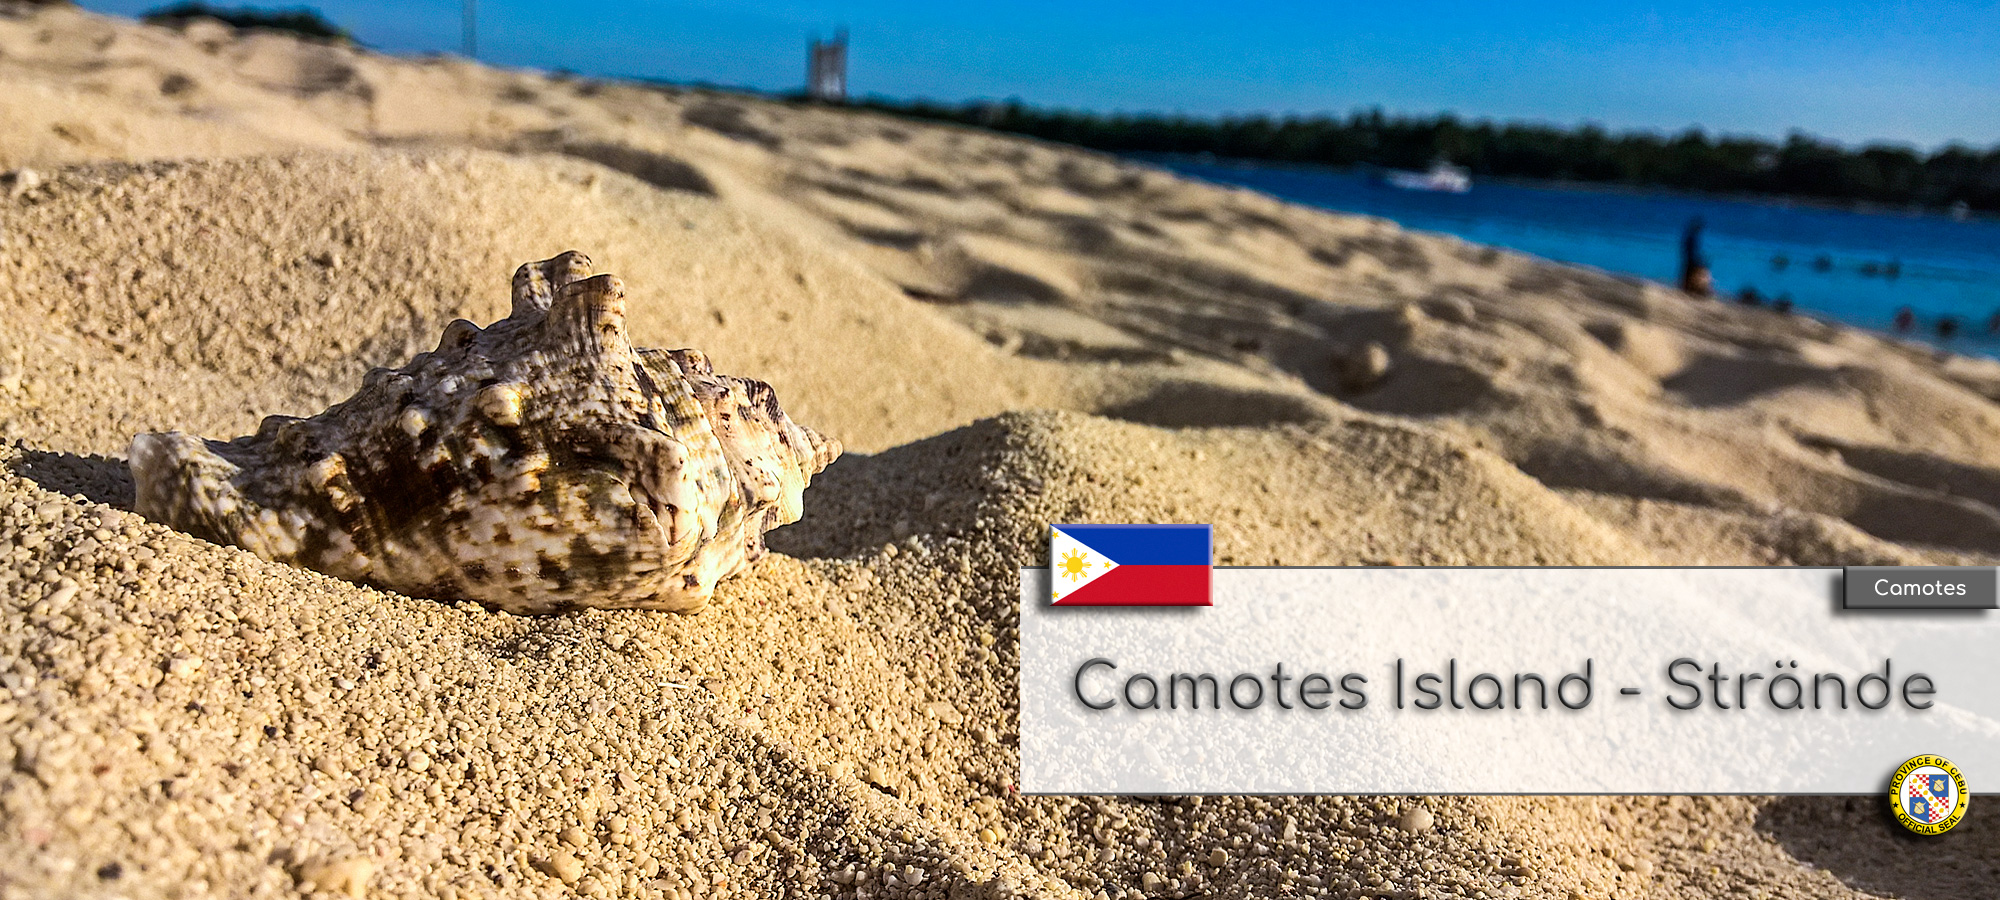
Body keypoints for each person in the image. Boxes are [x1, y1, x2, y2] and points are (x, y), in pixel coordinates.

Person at [1679, 218, 1712, 297]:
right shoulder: (1692, 237)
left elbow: (1686, 248)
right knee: (1688, 272)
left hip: (1688, 256)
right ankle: (1687, 289)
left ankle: (1685, 288)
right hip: (1690, 257)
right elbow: (1692, 249)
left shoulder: (1689, 236)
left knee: (1687, 272)